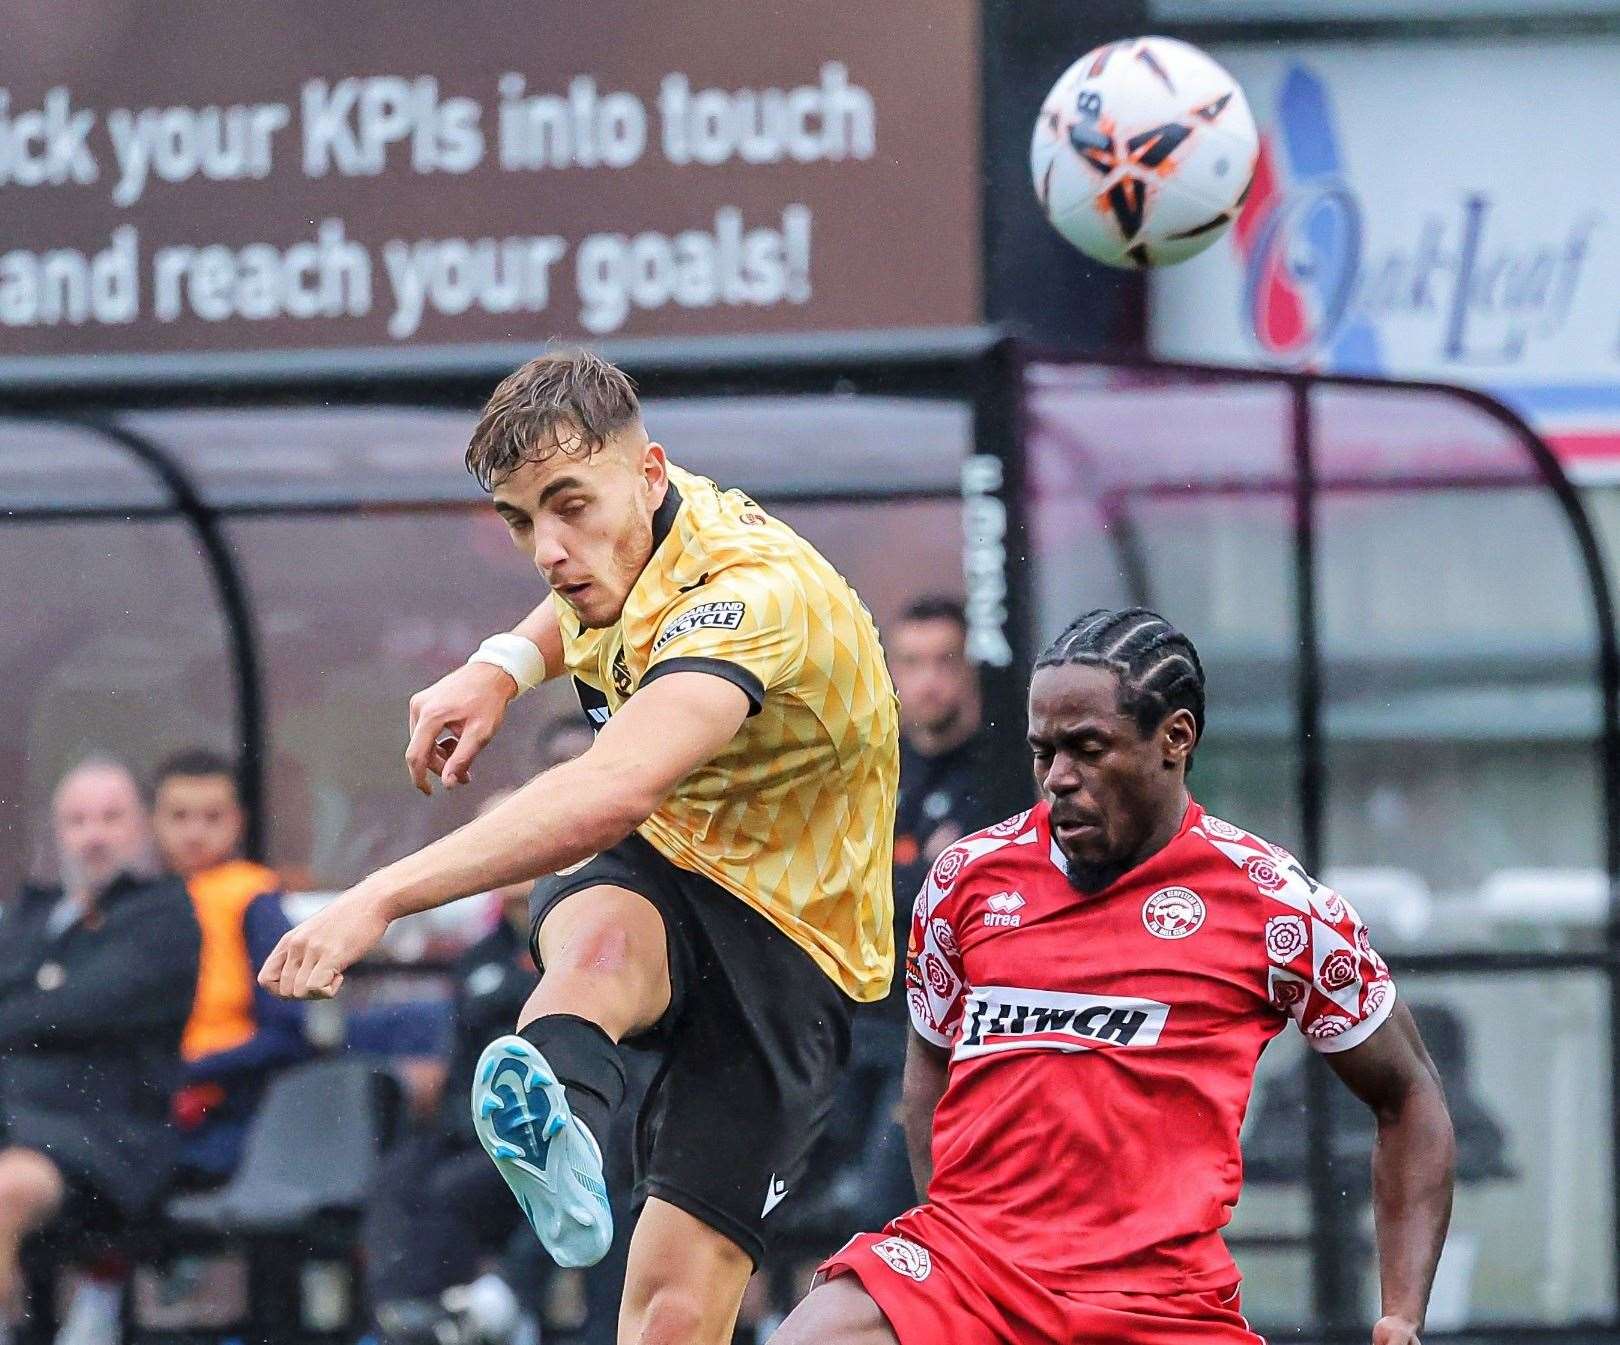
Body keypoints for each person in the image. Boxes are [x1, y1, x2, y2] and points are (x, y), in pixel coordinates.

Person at [261, 349, 900, 1345]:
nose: (549, 548)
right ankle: (558, 1117)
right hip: (669, 864)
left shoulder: (755, 599)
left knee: (671, 1311)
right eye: (521, 521)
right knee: (598, 942)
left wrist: (379, 894)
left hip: (794, 942)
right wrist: (501, 665)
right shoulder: (634, 519)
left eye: (567, 506)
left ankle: (563, 1119)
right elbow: (583, 596)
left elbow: (614, 788)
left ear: (649, 475)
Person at [774, 608, 1456, 1345]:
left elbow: (1409, 1092)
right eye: (1044, 752)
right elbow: (929, 1064)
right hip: (973, 1272)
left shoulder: (1275, 905)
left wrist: (1400, 1312)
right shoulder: (965, 881)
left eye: (1088, 749)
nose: (1059, 778)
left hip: (1156, 1304)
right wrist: (959, 1237)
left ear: (1176, 739)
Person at [0, 760, 201, 1341]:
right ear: (56, 832)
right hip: (15, 1120)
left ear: (142, 827)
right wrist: (44, 996)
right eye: (77, 820)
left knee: (7, 1191)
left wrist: (39, 997)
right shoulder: (34, 912)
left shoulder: (164, 913)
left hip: (107, 1134)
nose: (94, 835)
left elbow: (82, 1010)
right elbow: (50, 1011)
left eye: (112, 818)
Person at [362, 793, 541, 1345]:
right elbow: (462, 1058)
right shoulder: (477, 959)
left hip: (552, 1134)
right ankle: (400, 1317)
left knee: (452, 1189)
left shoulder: (582, 943)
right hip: (472, 1128)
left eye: (520, 832)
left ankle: (480, 1313)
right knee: (398, 1174)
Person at [150, 750, 308, 1185]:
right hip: (151, 1101)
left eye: (212, 817)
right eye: (179, 816)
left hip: (231, 1104)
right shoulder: (140, 902)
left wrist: (189, 1072)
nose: (195, 832)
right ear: (154, 822)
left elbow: (287, 1030)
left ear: (238, 821)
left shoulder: (253, 898)